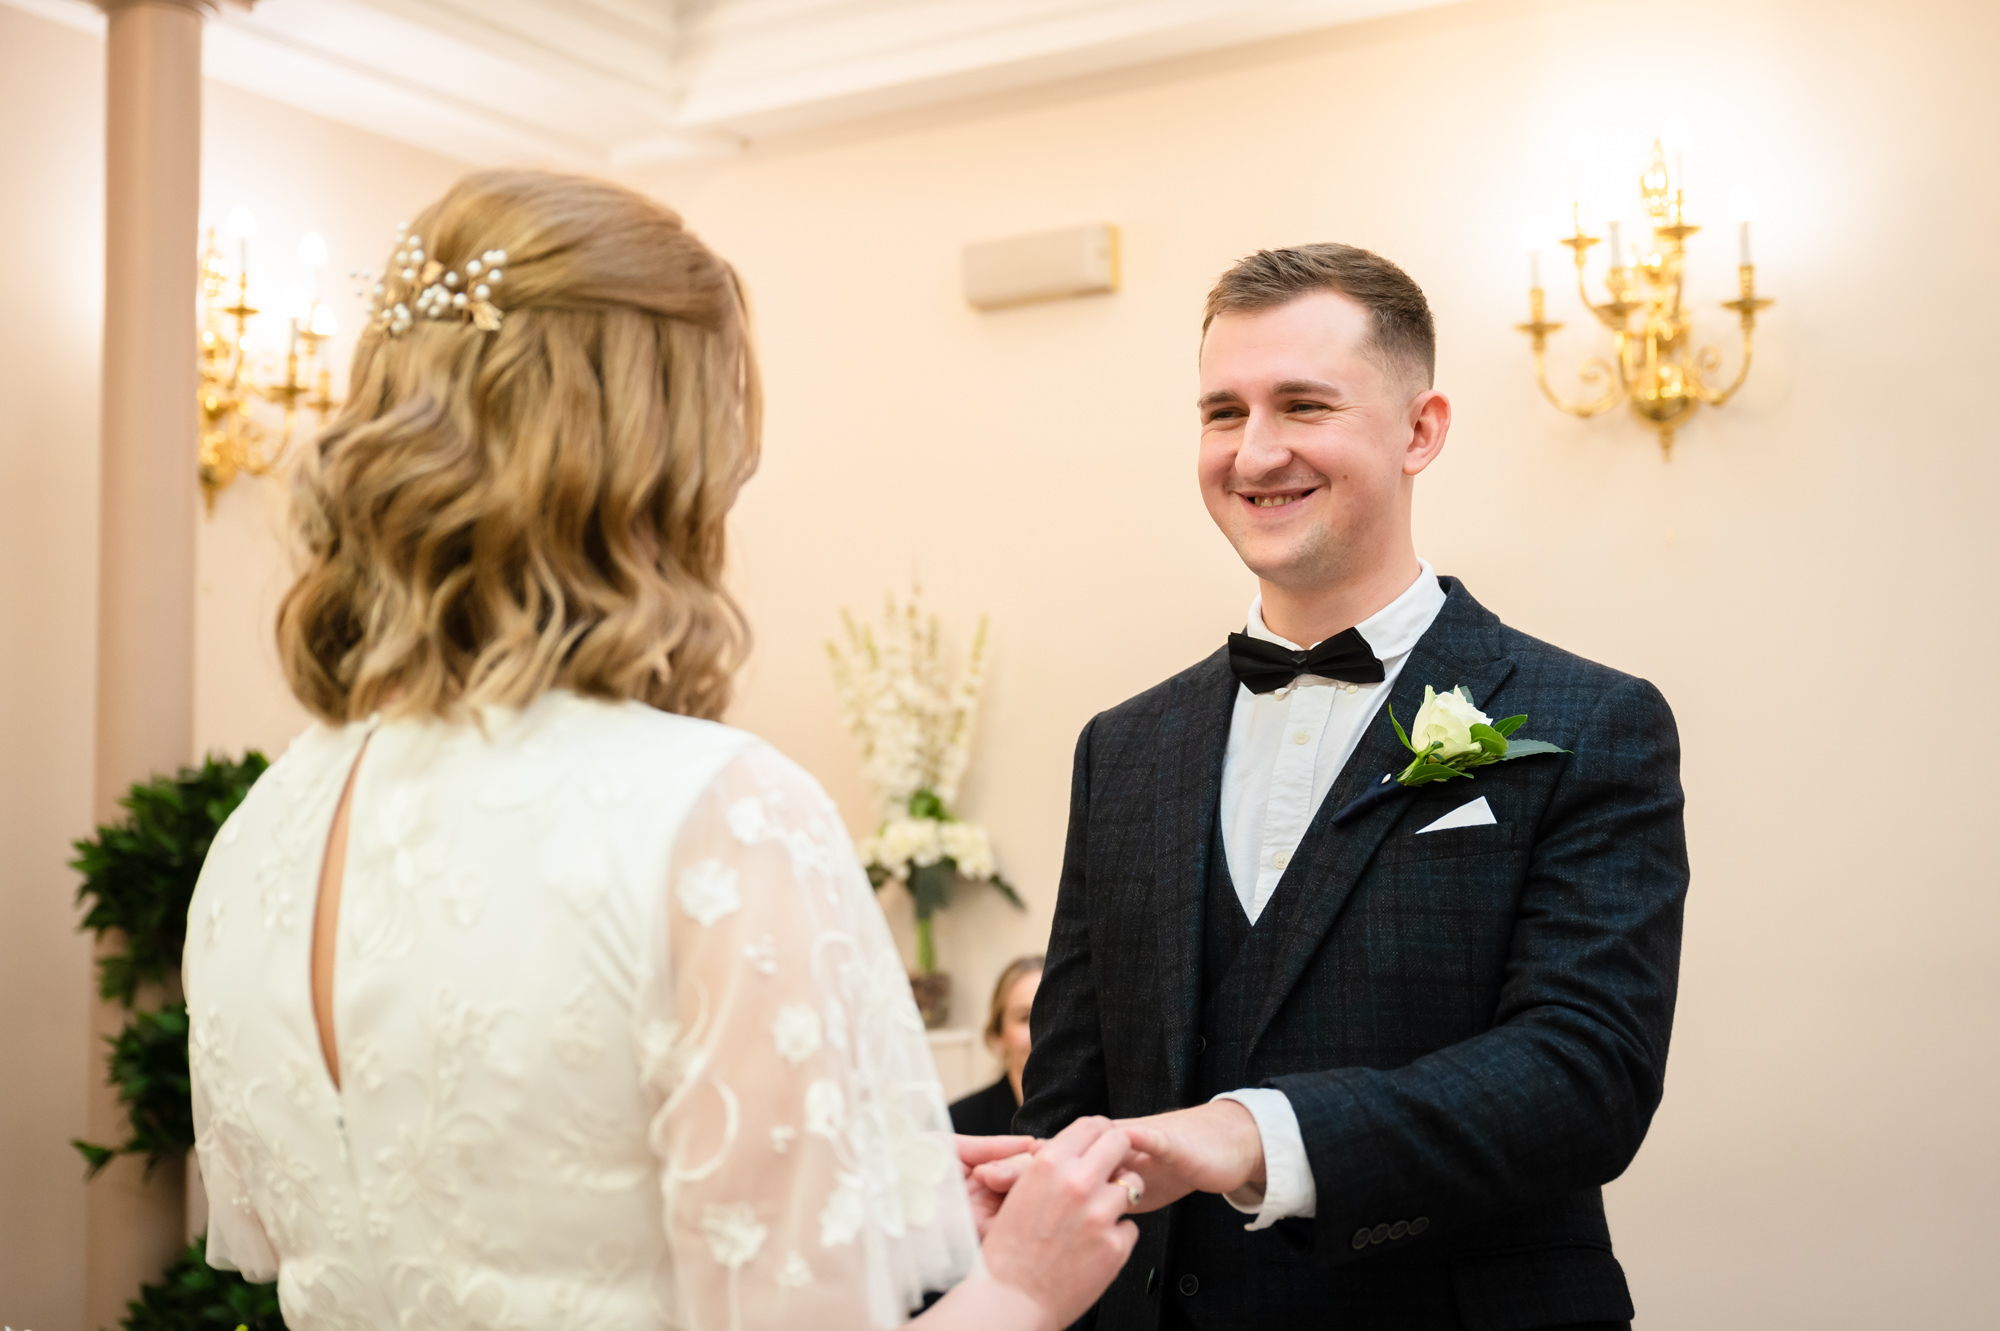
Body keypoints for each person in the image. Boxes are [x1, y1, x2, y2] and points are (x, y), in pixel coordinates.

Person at [181, 169, 1142, 1331]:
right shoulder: (720, 812)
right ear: (665, 464)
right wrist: (1021, 1288)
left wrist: (859, 1198)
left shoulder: (264, 830)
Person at [999, 244, 1688, 1330]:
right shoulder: (1120, 746)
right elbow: (1071, 1090)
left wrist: (1252, 1131)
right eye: (1221, 412)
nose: (1254, 451)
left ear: (1420, 430)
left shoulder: (1587, 721)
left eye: (1301, 405)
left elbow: (1582, 1076)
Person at [950, 955, 1044, 1136]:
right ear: (998, 1033)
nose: (1042, 1032)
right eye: (1025, 1018)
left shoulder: (1104, 1114)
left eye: (1054, 1014)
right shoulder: (957, 1124)